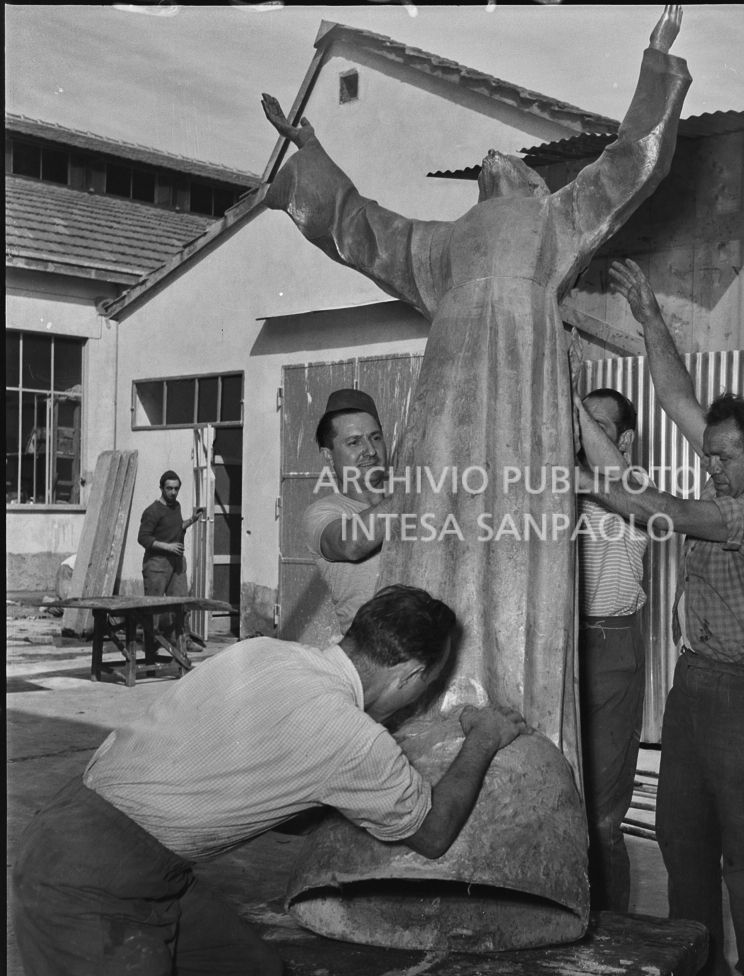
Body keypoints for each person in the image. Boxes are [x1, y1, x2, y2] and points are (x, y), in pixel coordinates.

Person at [260, 6, 690, 764]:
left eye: (513, 162)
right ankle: (438, 716)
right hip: (451, 420)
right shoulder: (445, 245)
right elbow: (362, 228)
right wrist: (311, 160)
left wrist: (655, 65)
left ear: (528, 183)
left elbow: (629, 164)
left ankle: (506, 721)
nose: (497, 157)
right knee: (445, 554)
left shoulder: (553, 220)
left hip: (522, 412)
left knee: (509, 550)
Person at [12, 585, 529, 976]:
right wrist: (483, 737)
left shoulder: (259, 651)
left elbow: (250, 782)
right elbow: (434, 833)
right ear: (411, 674)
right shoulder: (354, 739)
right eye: (424, 687)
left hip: (87, 826)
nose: (415, 702)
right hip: (90, 878)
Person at [576, 258, 744, 976]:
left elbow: (666, 514)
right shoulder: (733, 473)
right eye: (708, 455)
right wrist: (648, 317)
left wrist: (597, 472)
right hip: (695, 687)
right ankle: (699, 975)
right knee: (682, 844)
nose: (710, 466)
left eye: (722, 457)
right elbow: (676, 396)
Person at [575, 387, 650, 912]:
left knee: (601, 817)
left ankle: (613, 932)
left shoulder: (638, 487)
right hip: (561, 641)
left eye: (596, 427)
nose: (581, 436)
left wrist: (572, 404)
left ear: (622, 439)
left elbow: (615, 478)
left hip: (610, 646)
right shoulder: (568, 482)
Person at [305, 387, 396, 638]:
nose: (370, 450)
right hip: (371, 658)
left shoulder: (408, 497)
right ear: (328, 456)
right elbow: (351, 544)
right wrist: (413, 495)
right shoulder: (323, 513)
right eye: (354, 442)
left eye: (375, 437)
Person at [137, 469, 203, 599]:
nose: (173, 492)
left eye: (176, 489)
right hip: (157, 564)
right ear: (161, 488)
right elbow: (143, 538)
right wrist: (168, 546)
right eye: (169, 488)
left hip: (177, 563)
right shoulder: (152, 511)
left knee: (180, 606)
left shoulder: (176, 506)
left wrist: (191, 520)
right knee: (153, 607)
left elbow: (176, 528)